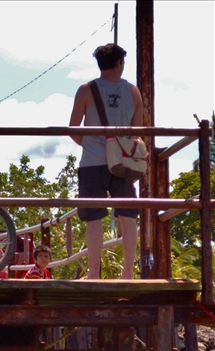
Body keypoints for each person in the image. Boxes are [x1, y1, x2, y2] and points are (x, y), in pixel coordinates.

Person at [69, 43, 143, 280]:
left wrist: (92, 145)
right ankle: (128, 274)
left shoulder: (85, 90)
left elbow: (73, 128)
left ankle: (93, 273)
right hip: (123, 162)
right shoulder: (133, 92)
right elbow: (138, 131)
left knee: (93, 218)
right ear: (120, 63)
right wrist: (117, 148)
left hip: (92, 162)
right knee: (128, 215)